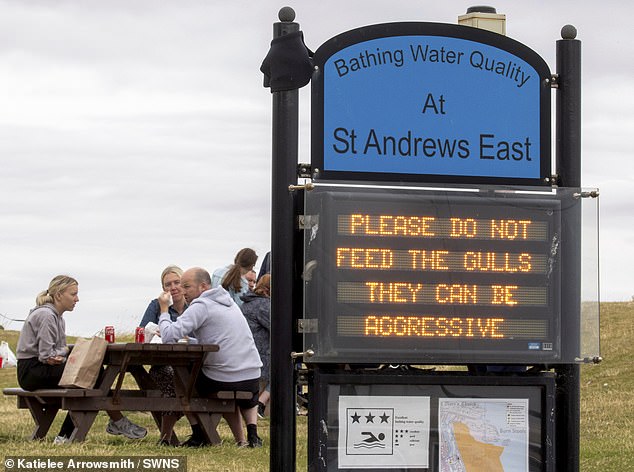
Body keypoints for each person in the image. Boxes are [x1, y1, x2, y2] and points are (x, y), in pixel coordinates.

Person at [16, 275, 147, 443]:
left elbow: (58, 351)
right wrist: (68, 356)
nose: (77, 299)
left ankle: (107, 423)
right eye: (73, 294)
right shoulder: (47, 316)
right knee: (91, 375)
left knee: (90, 375)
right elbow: (47, 356)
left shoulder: (57, 317)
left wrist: (66, 354)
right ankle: (114, 421)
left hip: (38, 368)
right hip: (32, 371)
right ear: (59, 295)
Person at [158, 267, 263, 448]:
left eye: (187, 286)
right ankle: (252, 435)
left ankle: (198, 432)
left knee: (181, 374)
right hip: (253, 378)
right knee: (225, 377)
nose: (182, 291)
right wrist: (190, 339)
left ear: (203, 287)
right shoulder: (229, 303)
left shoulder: (201, 305)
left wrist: (164, 310)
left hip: (224, 378)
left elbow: (168, 336)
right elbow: (218, 338)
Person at [139, 265, 188, 445]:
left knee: (189, 385)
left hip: (191, 365)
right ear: (163, 289)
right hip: (162, 363)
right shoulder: (156, 305)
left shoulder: (194, 306)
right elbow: (142, 332)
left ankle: (172, 437)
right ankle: (166, 437)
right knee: (171, 384)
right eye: (168, 284)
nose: (173, 287)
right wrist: (154, 331)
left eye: (177, 282)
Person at [240, 274, 271, 417]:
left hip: (246, 355)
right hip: (263, 357)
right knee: (287, 370)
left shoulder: (246, 303)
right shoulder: (264, 306)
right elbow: (280, 328)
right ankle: (261, 402)